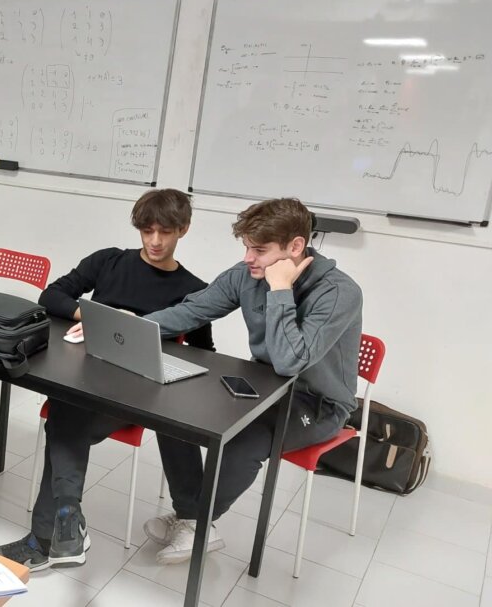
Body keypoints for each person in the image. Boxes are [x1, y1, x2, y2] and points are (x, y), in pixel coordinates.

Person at [0, 189, 214, 571]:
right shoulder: (109, 262)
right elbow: (52, 295)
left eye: (165, 232)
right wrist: (86, 315)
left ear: (184, 230)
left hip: (139, 394)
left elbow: (202, 353)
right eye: (147, 231)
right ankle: (63, 527)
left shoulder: (192, 289)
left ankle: (48, 536)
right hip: (86, 377)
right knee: (66, 410)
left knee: (65, 419)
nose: (155, 241)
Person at [141, 197, 362, 564]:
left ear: (295, 247)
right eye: (246, 247)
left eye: (259, 250)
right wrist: (133, 327)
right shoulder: (249, 273)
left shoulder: (339, 292)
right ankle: (193, 516)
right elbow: (193, 309)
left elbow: (290, 361)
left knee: (245, 438)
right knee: (172, 407)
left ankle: (197, 520)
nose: (248, 258)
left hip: (318, 403)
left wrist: (280, 291)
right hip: (262, 386)